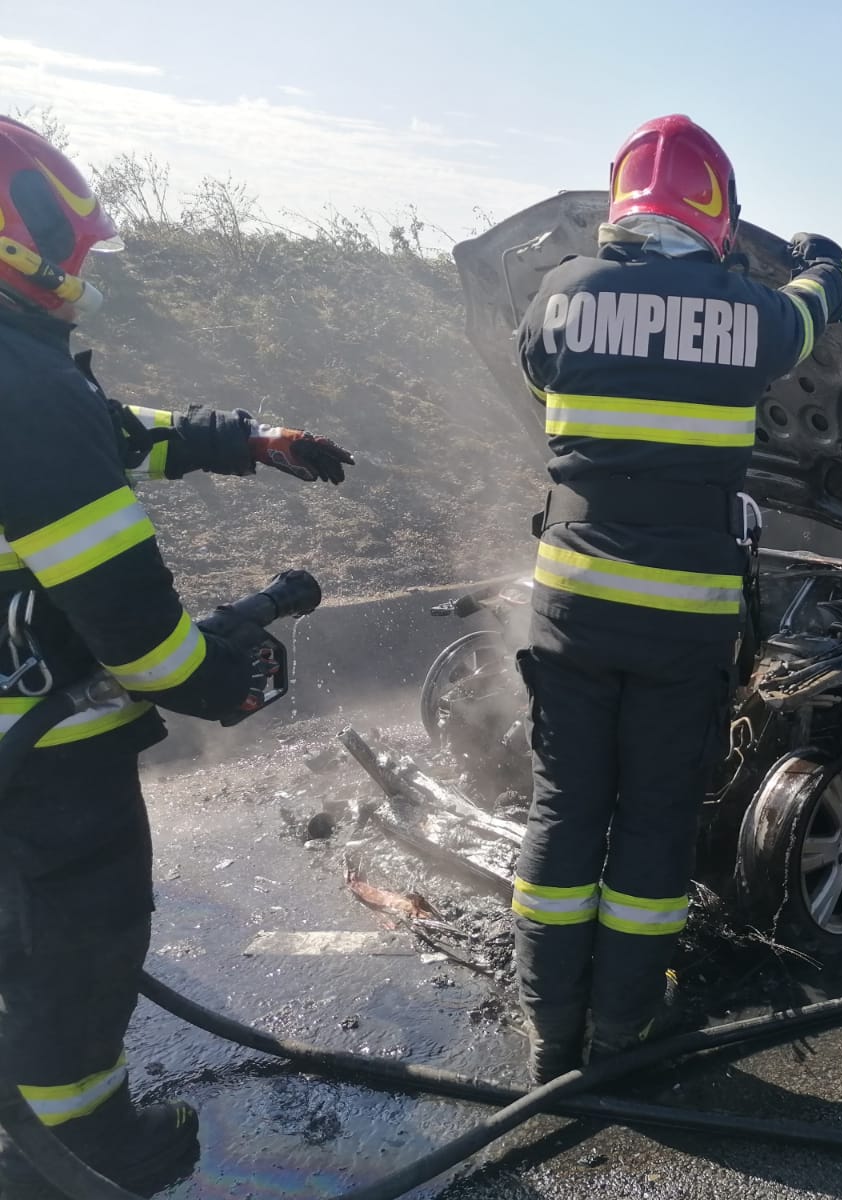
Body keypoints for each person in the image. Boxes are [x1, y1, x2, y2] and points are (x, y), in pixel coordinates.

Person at [0, 115, 354, 1197]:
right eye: (72, 260)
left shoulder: (31, 384)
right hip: (40, 752)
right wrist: (222, 677)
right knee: (78, 942)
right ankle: (83, 1150)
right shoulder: (22, 388)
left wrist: (245, 439)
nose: (79, 283)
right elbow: (132, 627)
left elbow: (114, 426)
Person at [511, 113, 842, 1080]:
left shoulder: (558, 296)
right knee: (653, 821)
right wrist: (826, 266)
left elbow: (539, 379)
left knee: (565, 808)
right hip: (681, 622)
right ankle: (623, 1028)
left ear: (621, 199)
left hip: (573, 609)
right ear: (715, 212)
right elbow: (813, 313)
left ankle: (550, 1031)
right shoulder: (746, 313)